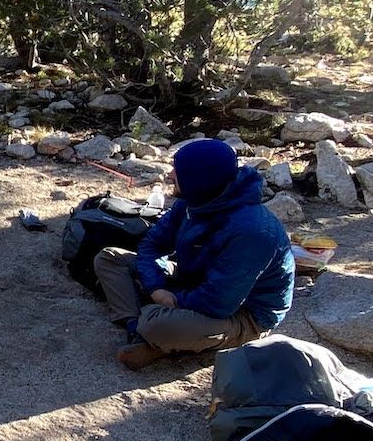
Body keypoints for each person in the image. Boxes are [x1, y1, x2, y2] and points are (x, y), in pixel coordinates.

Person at [96, 137, 295, 371]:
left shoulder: (253, 231)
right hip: (192, 279)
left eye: (177, 171)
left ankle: (153, 332)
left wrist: (174, 300)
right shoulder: (194, 201)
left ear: (200, 179)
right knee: (109, 258)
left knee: (157, 325)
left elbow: (218, 303)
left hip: (244, 315)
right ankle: (136, 328)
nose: (169, 175)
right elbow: (152, 244)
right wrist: (156, 288)